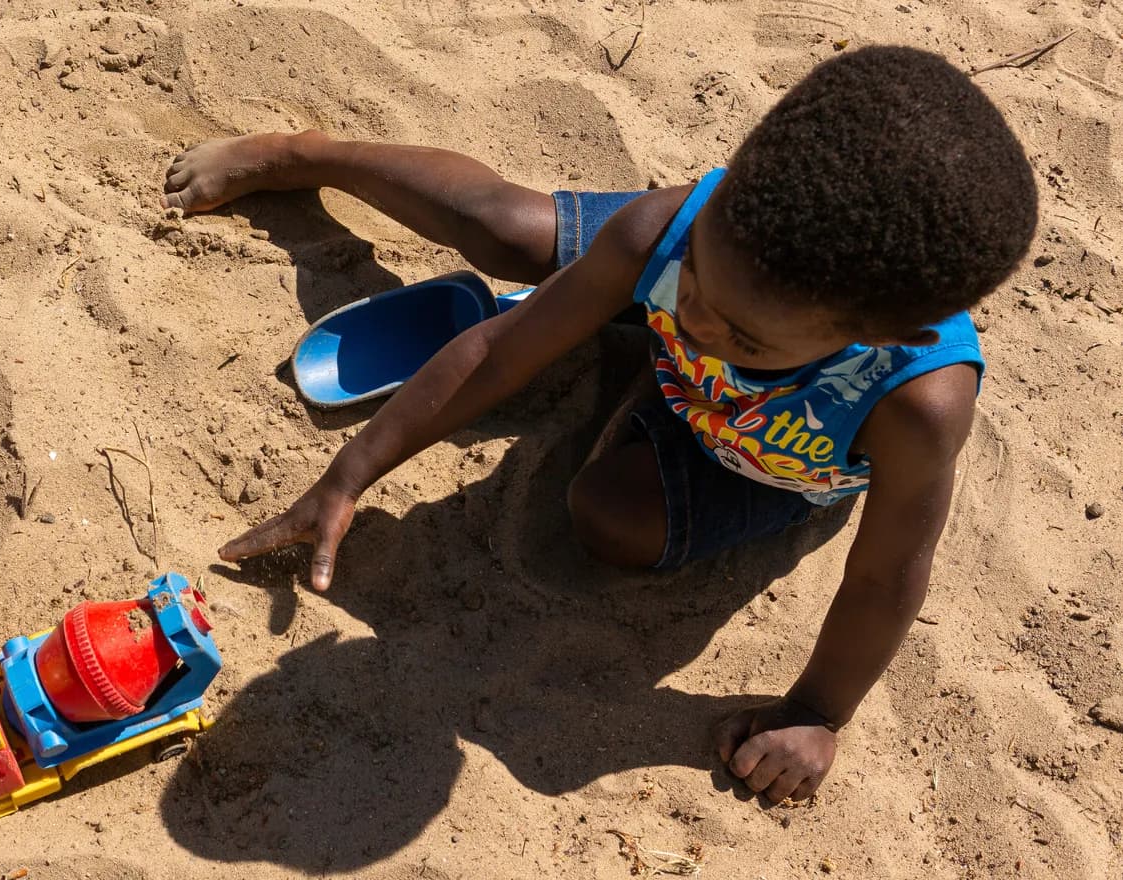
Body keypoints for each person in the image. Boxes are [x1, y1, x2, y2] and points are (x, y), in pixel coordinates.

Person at [162, 46, 1037, 804]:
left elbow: (886, 578)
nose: (693, 317)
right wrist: (348, 476)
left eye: (740, 334)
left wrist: (816, 713)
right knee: (503, 227)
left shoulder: (914, 405)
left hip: (773, 457)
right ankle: (307, 154)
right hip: (668, 325)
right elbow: (498, 353)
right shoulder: (674, 232)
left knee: (610, 520)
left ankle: (600, 338)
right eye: (696, 277)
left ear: (879, 336)